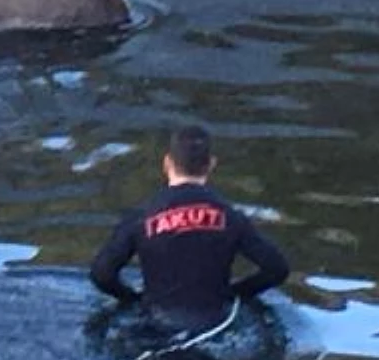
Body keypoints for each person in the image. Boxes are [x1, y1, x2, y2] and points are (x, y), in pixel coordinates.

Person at [90, 125, 289, 331]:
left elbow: (101, 274)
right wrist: (234, 294)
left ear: (167, 163)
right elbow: (277, 269)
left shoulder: (141, 217)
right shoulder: (231, 217)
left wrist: (132, 299)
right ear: (211, 164)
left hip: (157, 323)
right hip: (216, 322)